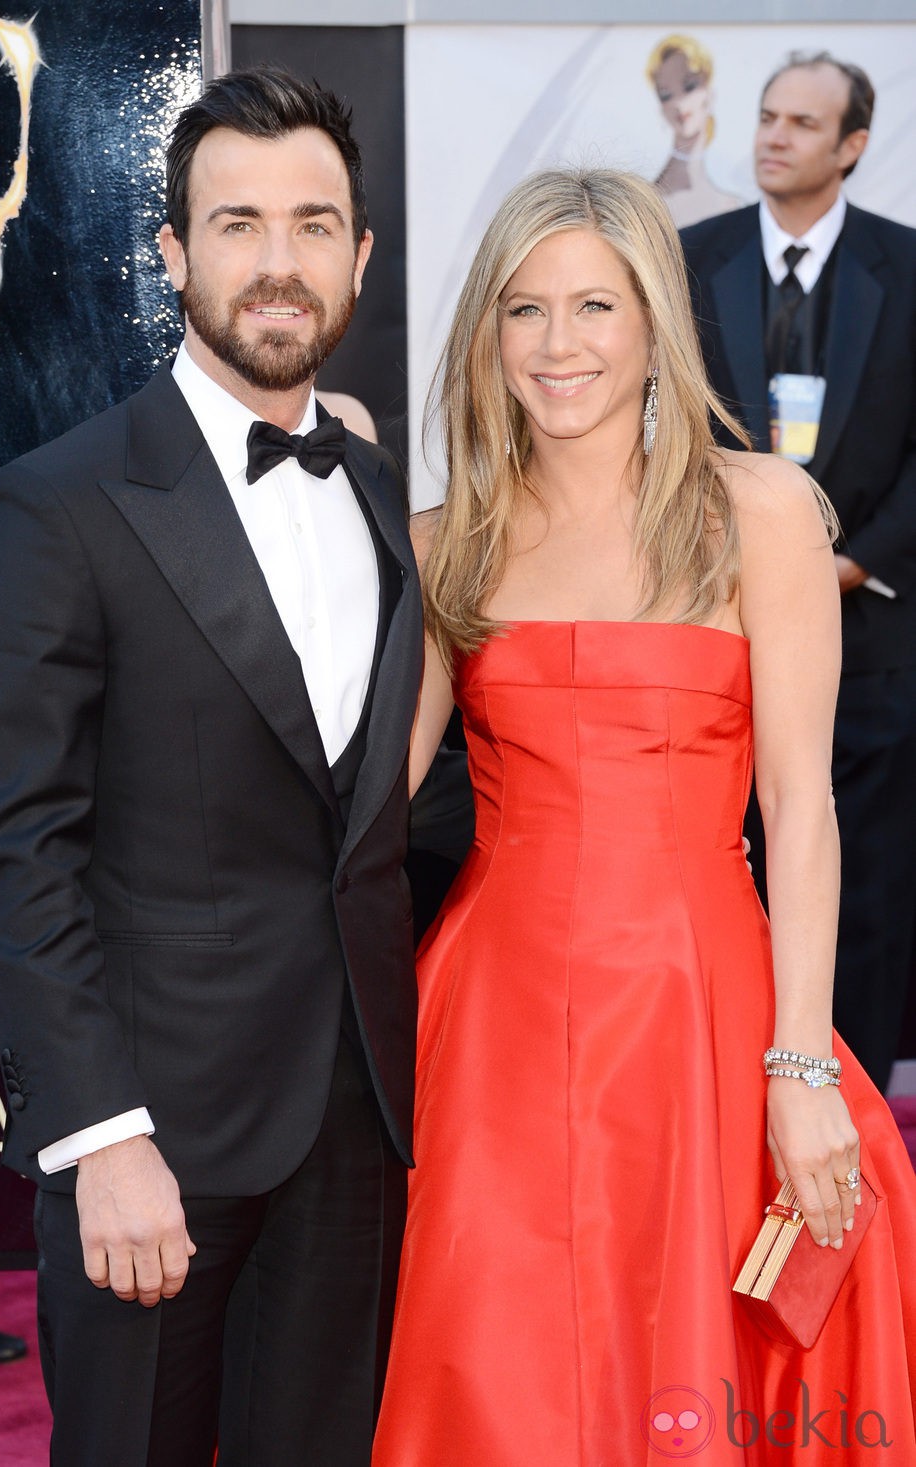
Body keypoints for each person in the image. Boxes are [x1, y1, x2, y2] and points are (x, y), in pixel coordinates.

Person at [371, 167, 916, 1466]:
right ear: (486, 332)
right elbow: (365, 809)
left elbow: (800, 806)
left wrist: (801, 1068)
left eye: (595, 307)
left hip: (704, 1014)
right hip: (488, 1026)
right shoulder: (443, 540)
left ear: (655, 322)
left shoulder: (761, 514)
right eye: (526, 309)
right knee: (491, 1362)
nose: (559, 346)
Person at [0, 65, 423, 1467]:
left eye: (309, 223)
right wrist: (101, 1133)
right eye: (234, 224)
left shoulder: (382, 489)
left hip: (354, 1124)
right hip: (153, 1135)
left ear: (359, 255)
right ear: (172, 254)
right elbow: (22, 845)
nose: (275, 263)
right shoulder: (60, 499)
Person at [680, 52, 916, 1093]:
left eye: (800, 123)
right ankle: (727, 1105)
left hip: (869, 650)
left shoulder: (907, 268)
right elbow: (663, 430)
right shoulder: (688, 257)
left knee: (859, 901)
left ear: (850, 147)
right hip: (713, 639)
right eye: (765, 117)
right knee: (721, 892)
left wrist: (852, 562)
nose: (772, 136)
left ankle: (851, 1125)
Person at [645, 33, 743, 229]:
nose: (679, 103)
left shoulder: (731, 206)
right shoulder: (648, 205)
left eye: (689, 86)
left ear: (709, 92)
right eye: (666, 95)